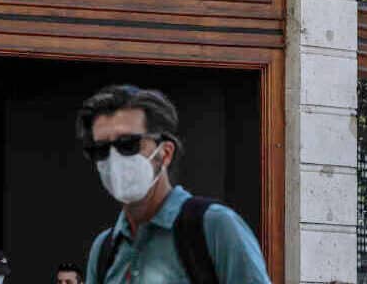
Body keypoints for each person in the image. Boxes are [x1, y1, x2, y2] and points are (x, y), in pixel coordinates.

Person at [79, 85, 270, 284]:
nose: (114, 159)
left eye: (128, 144)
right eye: (100, 150)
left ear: (165, 153)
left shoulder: (215, 227)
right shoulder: (104, 250)